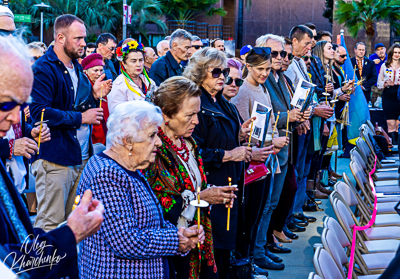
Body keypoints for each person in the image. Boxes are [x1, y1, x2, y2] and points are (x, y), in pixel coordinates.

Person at [0, 33, 104, 279]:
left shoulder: (76, 68)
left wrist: (29, 130)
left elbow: (20, 242)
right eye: (6, 104)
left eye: (22, 106)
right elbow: (12, 267)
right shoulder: (47, 67)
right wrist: (71, 234)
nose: (16, 117)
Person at [77, 100, 203, 278]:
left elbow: (150, 223)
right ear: (128, 141)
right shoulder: (106, 174)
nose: (159, 143)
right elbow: (126, 241)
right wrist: (176, 241)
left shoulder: (128, 167)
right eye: (152, 135)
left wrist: (180, 233)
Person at [144, 76, 239, 278]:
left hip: (199, 238)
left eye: (197, 114)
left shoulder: (190, 143)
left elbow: (197, 184)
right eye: (189, 115)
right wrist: (202, 198)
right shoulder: (152, 151)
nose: (196, 121)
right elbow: (155, 206)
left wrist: (216, 193)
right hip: (171, 248)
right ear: (165, 115)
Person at [30, 14, 112, 231]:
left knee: (70, 227)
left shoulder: (77, 67)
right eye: (78, 38)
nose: (84, 44)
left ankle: (63, 266)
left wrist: (94, 96)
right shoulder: (44, 68)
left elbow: (73, 106)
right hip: (55, 159)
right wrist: (81, 118)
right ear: (60, 38)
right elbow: (39, 112)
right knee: (50, 225)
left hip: (80, 156)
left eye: (84, 38)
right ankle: (42, 266)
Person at [184, 47, 255, 278]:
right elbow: (192, 152)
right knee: (212, 254)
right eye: (216, 72)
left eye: (224, 71)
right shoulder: (197, 104)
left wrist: (240, 136)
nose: (222, 77)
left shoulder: (224, 103)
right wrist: (229, 154)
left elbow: (225, 139)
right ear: (199, 73)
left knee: (224, 250)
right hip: (210, 188)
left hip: (229, 184)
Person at [232, 41, 287, 271]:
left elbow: (268, 121)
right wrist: (269, 142)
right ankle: (252, 257)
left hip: (268, 157)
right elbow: (243, 132)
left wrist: (273, 141)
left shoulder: (263, 87)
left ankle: (259, 251)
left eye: (267, 68)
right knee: (254, 212)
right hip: (253, 161)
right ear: (248, 67)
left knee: (267, 206)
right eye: (260, 69)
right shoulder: (243, 91)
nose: (264, 73)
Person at [260, 34, 311, 254]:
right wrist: (288, 117)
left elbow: (288, 107)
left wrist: (300, 114)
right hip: (268, 148)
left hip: (283, 147)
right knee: (267, 203)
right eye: (275, 54)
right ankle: (261, 247)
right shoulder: (261, 79)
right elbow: (263, 115)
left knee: (276, 198)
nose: (281, 58)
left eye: (283, 54)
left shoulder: (279, 77)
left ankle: (268, 239)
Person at [107, 40, 157, 113]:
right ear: (124, 63)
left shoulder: (149, 82)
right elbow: (117, 116)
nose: (138, 64)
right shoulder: (118, 86)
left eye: (140, 60)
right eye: (133, 61)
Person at [81, 53, 110, 145]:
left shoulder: (103, 85)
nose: (99, 74)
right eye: (95, 70)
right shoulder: (83, 87)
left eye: (101, 70)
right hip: (90, 132)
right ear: (86, 71)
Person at [377, 43, 400, 144]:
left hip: (399, 94)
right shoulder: (384, 65)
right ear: (391, 53)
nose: (397, 54)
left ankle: (398, 145)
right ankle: (393, 144)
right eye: (395, 52)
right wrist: (385, 83)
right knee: (390, 123)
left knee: (398, 124)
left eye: (399, 53)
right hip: (388, 95)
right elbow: (378, 83)